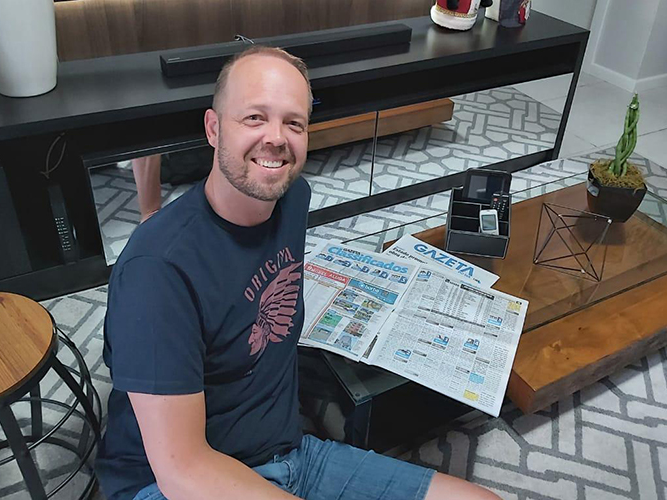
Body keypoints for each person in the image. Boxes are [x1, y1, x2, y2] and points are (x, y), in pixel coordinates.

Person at [96, 45, 501, 500]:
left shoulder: (292, 200)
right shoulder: (156, 272)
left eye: (294, 123)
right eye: (254, 117)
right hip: (171, 483)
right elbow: (183, 470)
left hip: (289, 453)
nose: (276, 138)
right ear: (213, 128)